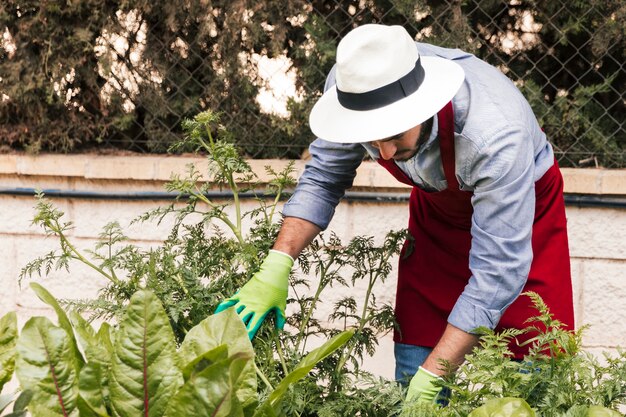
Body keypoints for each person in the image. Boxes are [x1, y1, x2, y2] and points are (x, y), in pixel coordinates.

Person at [215, 24, 575, 403]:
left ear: (424, 103)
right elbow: (324, 177)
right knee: (413, 366)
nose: (383, 154)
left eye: (392, 135)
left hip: (523, 223)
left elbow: (499, 272)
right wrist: (276, 263)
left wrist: (436, 374)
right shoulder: (351, 85)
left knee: (534, 375)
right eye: (371, 138)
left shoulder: (495, 132)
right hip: (438, 220)